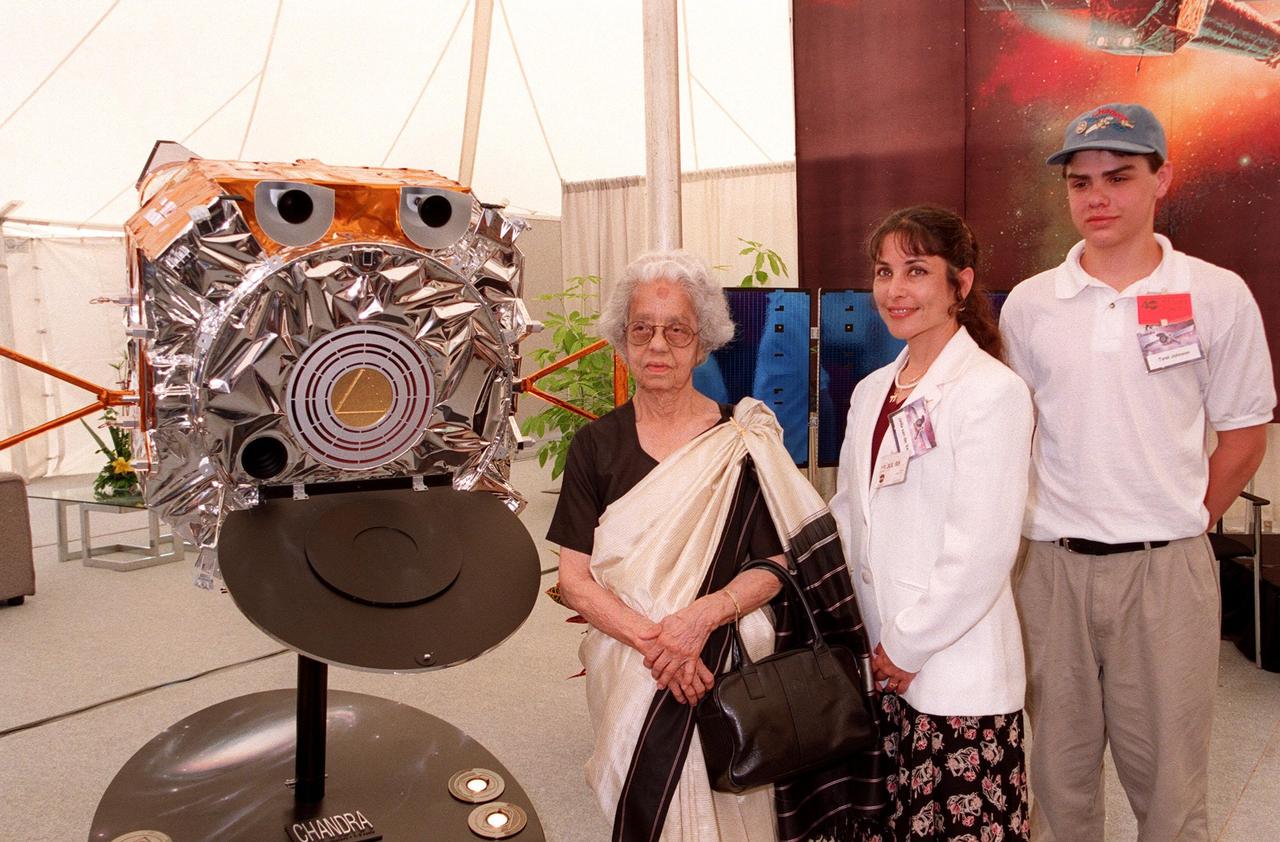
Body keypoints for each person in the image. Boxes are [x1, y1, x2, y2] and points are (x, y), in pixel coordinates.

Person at [999, 102, 1275, 840]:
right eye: (1081, 181)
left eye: (1119, 177)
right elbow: (1010, 432)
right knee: (1057, 785)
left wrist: (1187, 516)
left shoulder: (1217, 295)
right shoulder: (1029, 307)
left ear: (1162, 180)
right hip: (1050, 571)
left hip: (1166, 573)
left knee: (1172, 790)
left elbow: (1245, 432)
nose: (1097, 197)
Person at [549, 250, 883, 841]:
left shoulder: (744, 440)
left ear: (704, 343)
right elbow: (574, 580)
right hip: (634, 654)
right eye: (642, 329)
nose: (658, 346)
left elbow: (784, 561)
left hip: (731, 650)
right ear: (620, 342)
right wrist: (661, 643)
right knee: (641, 738)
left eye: (677, 331)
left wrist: (702, 618)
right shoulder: (594, 447)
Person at [830, 206, 1033, 840]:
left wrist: (908, 646)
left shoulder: (991, 392)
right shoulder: (870, 391)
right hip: (881, 661)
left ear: (961, 285)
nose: (895, 289)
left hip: (953, 668)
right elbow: (848, 513)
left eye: (917, 271)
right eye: (884, 271)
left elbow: (982, 547)